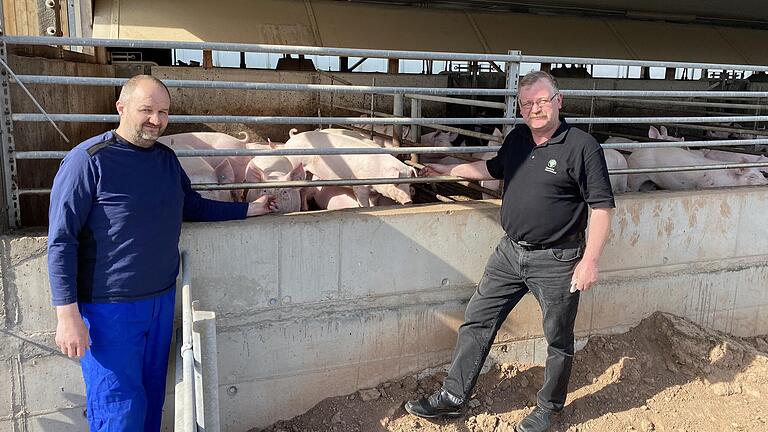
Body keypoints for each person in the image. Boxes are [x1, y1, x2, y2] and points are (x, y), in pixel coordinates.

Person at [47, 75, 278, 432]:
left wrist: (249, 209)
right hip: (109, 308)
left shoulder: (167, 160)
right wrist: (67, 315)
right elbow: (61, 240)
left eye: (163, 112)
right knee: (119, 407)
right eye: (147, 110)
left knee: (154, 398)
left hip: (160, 300)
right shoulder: (88, 161)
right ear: (121, 108)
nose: (156, 119)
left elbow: (193, 206)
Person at [404, 71, 615, 432]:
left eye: (542, 101)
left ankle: (549, 408)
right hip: (509, 252)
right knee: (477, 319)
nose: (535, 108)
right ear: (520, 109)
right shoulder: (518, 139)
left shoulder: (582, 146)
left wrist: (590, 260)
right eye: (527, 103)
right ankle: (454, 397)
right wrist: (447, 168)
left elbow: (601, 207)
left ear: (558, 100)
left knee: (558, 337)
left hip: (557, 259)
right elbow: (490, 168)